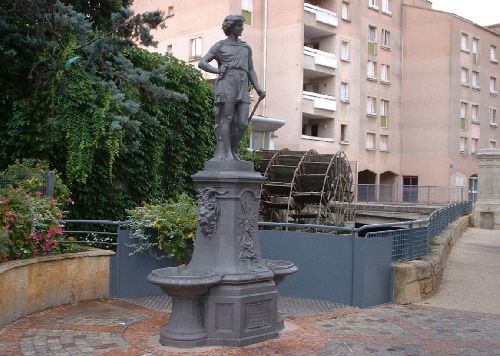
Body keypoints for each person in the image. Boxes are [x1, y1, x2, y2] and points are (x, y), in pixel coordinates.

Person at [198, 14, 266, 161]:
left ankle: (231, 149)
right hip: (226, 82)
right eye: (239, 25)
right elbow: (202, 62)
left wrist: (258, 87)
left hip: (242, 83)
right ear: (231, 27)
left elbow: (251, 70)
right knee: (227, 118)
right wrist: (217, 71)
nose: (242, 28)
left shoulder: (245, 47)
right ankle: (227, 153)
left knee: (242, 122)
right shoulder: (220, 46)